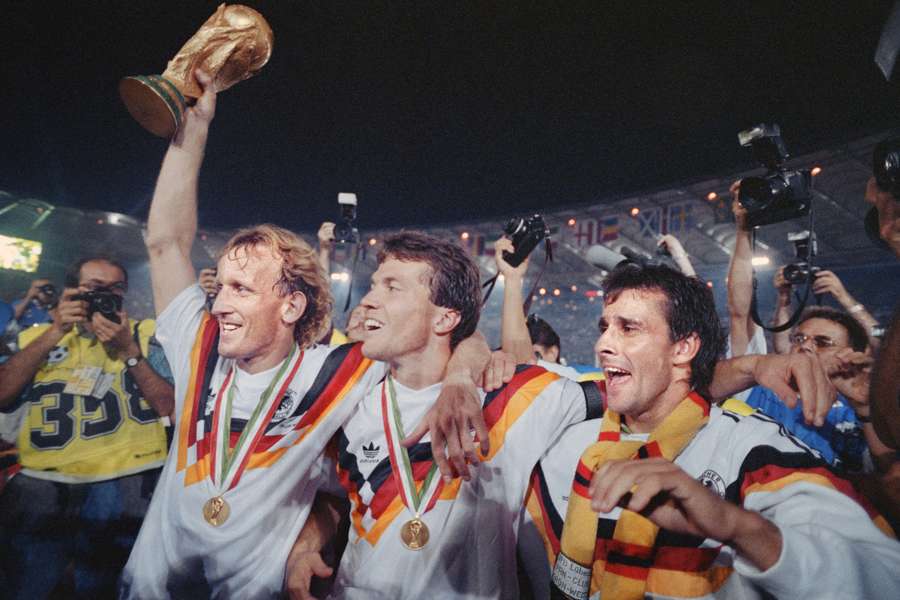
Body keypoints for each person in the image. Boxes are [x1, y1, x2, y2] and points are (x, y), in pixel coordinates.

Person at [120, 70, 499, 599]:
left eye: (243, 290)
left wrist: (459, 378)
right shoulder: (197, 344)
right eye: (222, 287)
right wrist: (194, 131)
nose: (221, 304)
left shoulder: (339, 373)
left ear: (291, 305)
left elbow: (454, 338)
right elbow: (165, 243)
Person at [539, 263, 899, 600]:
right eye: (604, 327)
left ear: (683, 347)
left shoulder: (755, 451)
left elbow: (883, 577)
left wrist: (738, 526)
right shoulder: (561, 426)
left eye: (628, 328)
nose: (603, 345)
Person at [287, 231, 608, 599]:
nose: (369, 301)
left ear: (445, 319)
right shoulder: (347, 400)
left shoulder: (512, 393)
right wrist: (305, 547)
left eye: (392, 288)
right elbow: (331, 497)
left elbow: (631, 395)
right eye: (374, 286)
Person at [0, 256, 175, 599]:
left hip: (126, 480)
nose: (103, 298)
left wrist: (129, 352)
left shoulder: (145, 333)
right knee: (24, 584)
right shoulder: (35, 336)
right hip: (43, 482)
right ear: (70, 292)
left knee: (100, 590)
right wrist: (55, 332)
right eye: (94, 289)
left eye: (115, 290)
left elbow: (169, 405)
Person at [746, 307, 891, 472]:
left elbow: (890, 475)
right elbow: (739, 316)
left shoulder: (864, 415)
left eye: (822, 343)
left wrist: (865, 409)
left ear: (851, 354)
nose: (806, 346)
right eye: (799, 339)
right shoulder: (757, 390)